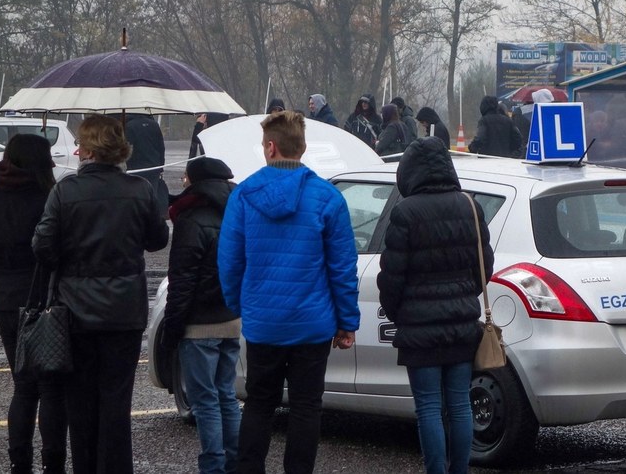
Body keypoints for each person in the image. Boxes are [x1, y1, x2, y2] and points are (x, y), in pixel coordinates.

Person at [217, 110, 359, 474]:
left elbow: (230, 261)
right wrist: (346, 321)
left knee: (260, 404)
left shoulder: (244, 195)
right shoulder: (328, 198)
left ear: (270, 146)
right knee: (306, 407)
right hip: (312, 324)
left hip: (264, 321)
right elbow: (342, 268)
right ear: (303, 147)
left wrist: (239, 304)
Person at [33, 115, 170, 474]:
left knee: (79, 402)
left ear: (89, 150)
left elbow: (42, 247)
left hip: (75, 312)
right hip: (124, 311)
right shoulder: (140, 189)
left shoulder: (65, 191)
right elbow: (158, 239)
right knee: (116, 402)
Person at [377, 137, 493, 474]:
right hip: (461, 323)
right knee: (458, 404)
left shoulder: (405, 212)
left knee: (428, 407)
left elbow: (392, 276)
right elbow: (484, 263)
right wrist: (462, 296)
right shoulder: (470, 206)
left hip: (418, 326)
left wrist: (400, 314)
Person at [0, 134, 67, 474]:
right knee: (51, 386)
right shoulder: (48, 199)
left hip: (4, 295)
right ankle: (53, 463)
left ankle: (20, 463)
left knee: (22, 385)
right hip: (43, 296)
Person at [162, 156, 241, 474]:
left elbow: (182, 281)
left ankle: (212, 465)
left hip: (199, 324)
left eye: (185, 177)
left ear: (197, 182)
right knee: (226, 395)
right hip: (231, 318)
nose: (181, 182)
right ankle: (236, 462)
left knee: (205, 400)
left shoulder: (191, 220)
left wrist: (173, 327)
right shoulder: (236, 213)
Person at [125, 112, 168, 217]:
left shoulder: (129, 126)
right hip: (154, 167)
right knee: (152, 193)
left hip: (136, 168)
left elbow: (127, 149)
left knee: (137, 195)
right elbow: (161, 146)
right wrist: (161, 165)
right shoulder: (154, 125)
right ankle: (152, 216)